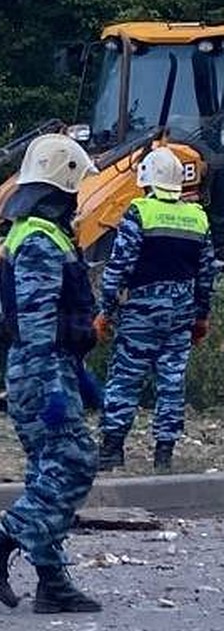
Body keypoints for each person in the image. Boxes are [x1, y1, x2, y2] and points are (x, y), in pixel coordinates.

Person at [0, 132, 102, 613]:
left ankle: (51, 582)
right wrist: (55, 386)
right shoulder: (40, 239)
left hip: (47, 365)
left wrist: (76, 373)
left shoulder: (35, 231)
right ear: (63, 182)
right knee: (76, 462)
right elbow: (39, 317)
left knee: (48, 468)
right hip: (42, 368)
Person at [95, 147, 215, 473]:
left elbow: (119, 267)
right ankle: (164, 455)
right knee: (172, 380)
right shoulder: (197, 217)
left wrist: (105, 309)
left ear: (146, 178)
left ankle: (111, 451)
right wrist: (202, 316)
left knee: (125, 377)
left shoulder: (139, 212)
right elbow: (206, 274)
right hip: (182, 312)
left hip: (142, 311)